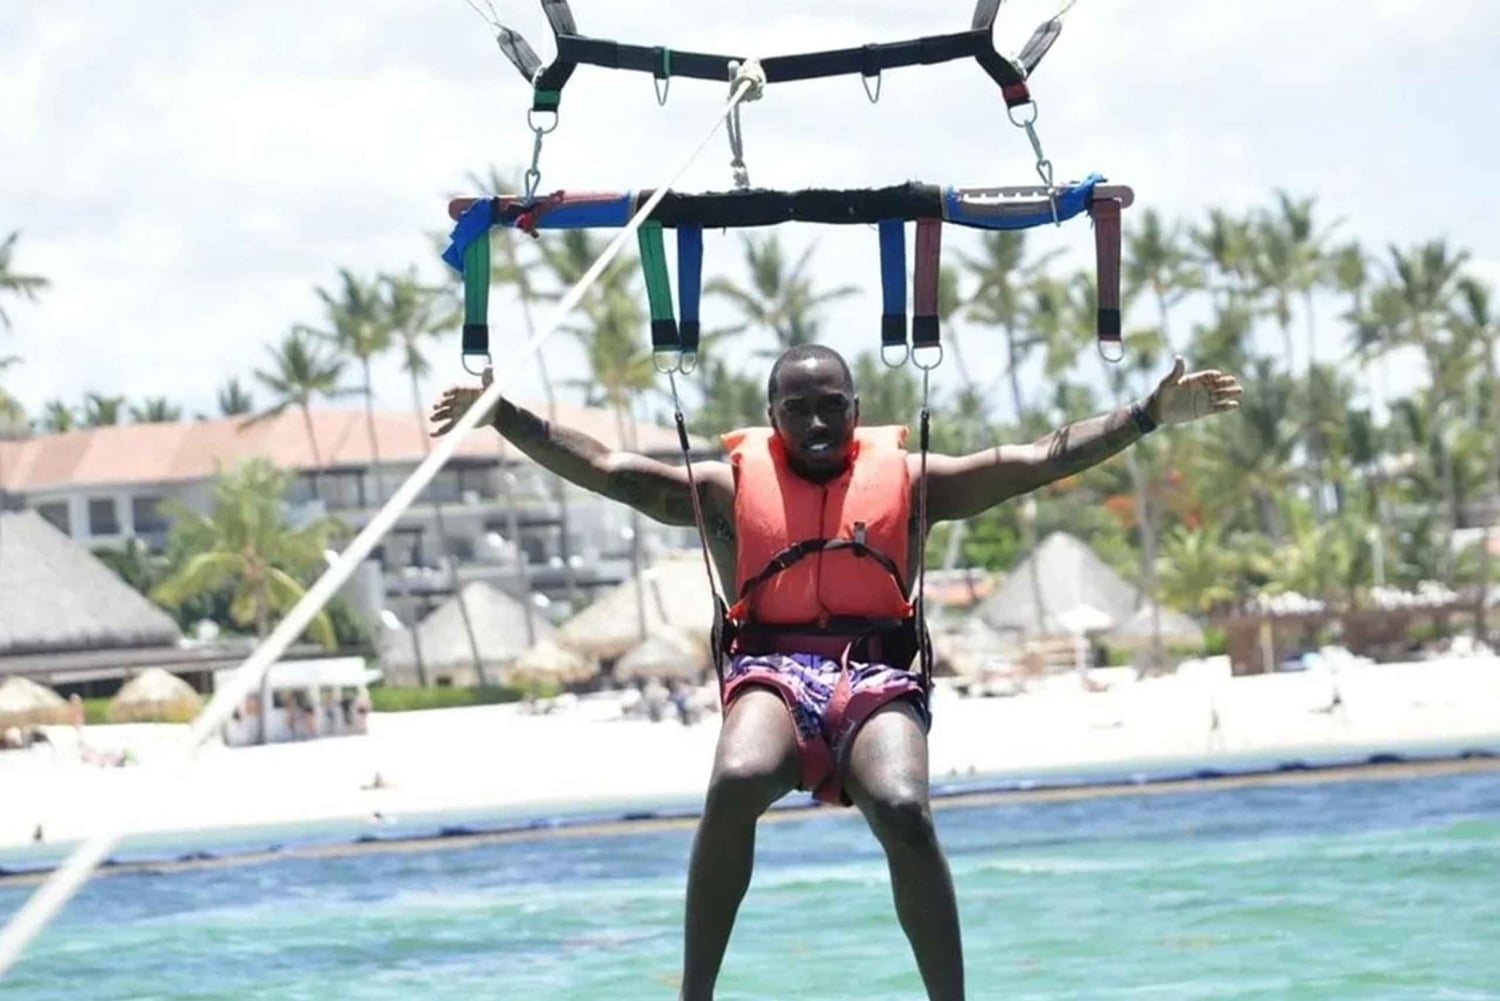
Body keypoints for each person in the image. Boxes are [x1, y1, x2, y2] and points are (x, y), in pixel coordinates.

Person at [431, 345, 1241, 1001]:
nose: (817, 421)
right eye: (798, 408)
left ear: (856, 411)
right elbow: (607, 467)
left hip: (877, 672)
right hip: (770, 672)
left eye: (832, 406)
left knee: (902, 808)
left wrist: (1146, 415)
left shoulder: (917, 483)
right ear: (772, 417)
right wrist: (501, 414)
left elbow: (1035, 459)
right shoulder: (721, 491)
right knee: (737, 777)